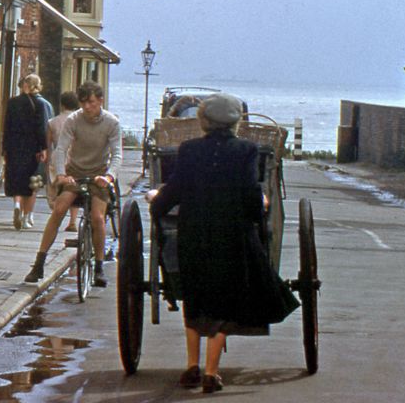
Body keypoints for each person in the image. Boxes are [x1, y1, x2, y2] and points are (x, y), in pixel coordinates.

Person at [147, 93, 298, 394]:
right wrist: (261, 208)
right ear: (236, 122)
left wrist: (157, 204)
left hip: (194, 233)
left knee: (194, 296)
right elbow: (249, 191)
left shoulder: (189, 149)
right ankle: (211, 373)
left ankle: (192, 365)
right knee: (223, 301)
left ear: (202, 121)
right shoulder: (246, 150)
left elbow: (175, 188)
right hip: (232, 235)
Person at [24, 81, 121, 287]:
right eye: (83, 102)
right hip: (75, 172)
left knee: (97, 217)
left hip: (99, 174)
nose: (87, 107)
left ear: (100, 101)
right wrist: (61, 174)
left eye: (92, 102)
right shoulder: (74, 120)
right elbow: (61, 149)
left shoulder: (111, 123)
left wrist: (109, 176)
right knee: (59, 208)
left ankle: (99, 267)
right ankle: (39, 263)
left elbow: (117, 154)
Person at [3, 74, 49, 229]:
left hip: (14, 146)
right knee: (32, 182)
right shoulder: (40, 104)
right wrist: (43, 148)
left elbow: (6, 127)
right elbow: (41, 128)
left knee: (16, 179)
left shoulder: (12, 103)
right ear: (37, 85)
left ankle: (17, 205)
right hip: (31, 148)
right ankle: (27, 217)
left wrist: (5, 148)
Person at [45, 91, 80, 231]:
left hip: (57, 156)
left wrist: (46, 159)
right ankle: (72, 221)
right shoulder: (78, 121)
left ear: (62, 104)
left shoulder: (52, 122)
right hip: (74, 156)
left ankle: (56, 216)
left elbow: (48, 144)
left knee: (54, 188)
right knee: (74, 187)